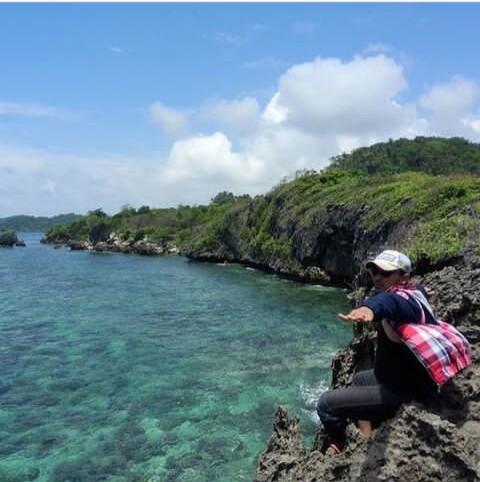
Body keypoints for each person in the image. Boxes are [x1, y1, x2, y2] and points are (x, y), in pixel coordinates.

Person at [316, 249, 471, 455]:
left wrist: (366, 310)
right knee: (360, 378)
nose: (377, 277)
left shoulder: (402, 302)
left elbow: (386, 304)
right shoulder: (413, 294)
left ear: (403, 276)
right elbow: (407, 294)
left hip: (401, 392)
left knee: (325, 404)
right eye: (374, 272)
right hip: (394, 379)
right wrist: (424, 290)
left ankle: (341, 442)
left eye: (385, 273)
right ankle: (366, 433)